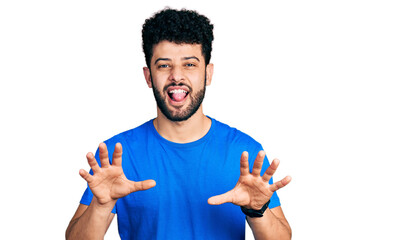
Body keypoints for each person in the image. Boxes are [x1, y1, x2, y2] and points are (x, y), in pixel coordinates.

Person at [66, 8, 292, 240]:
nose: (176, 76)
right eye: (164, 65)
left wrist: (257, 210)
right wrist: (101, 207)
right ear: (148, 76)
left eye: (190, 65)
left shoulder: (245, 152)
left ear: (208, 73)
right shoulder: (116, 155)